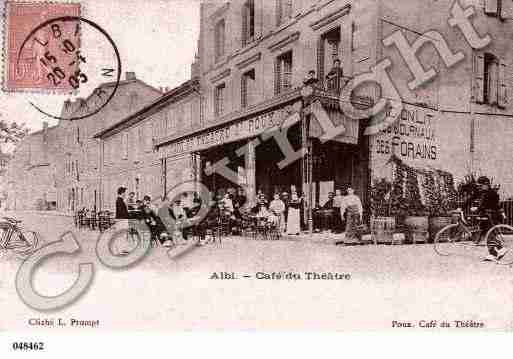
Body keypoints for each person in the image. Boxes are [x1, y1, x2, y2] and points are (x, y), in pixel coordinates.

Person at [474, 176, 508, 261]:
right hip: (486, 215)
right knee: (487, 233)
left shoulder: (492, 193)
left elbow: (489, 205)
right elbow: (472, 199)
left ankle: (500, 249)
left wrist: (477, 209)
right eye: (478, 186)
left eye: (481, 185)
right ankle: (493, 254)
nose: (479, 187)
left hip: (491, 216)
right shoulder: (483, 192)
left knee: (489, 234)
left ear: (486, 184)